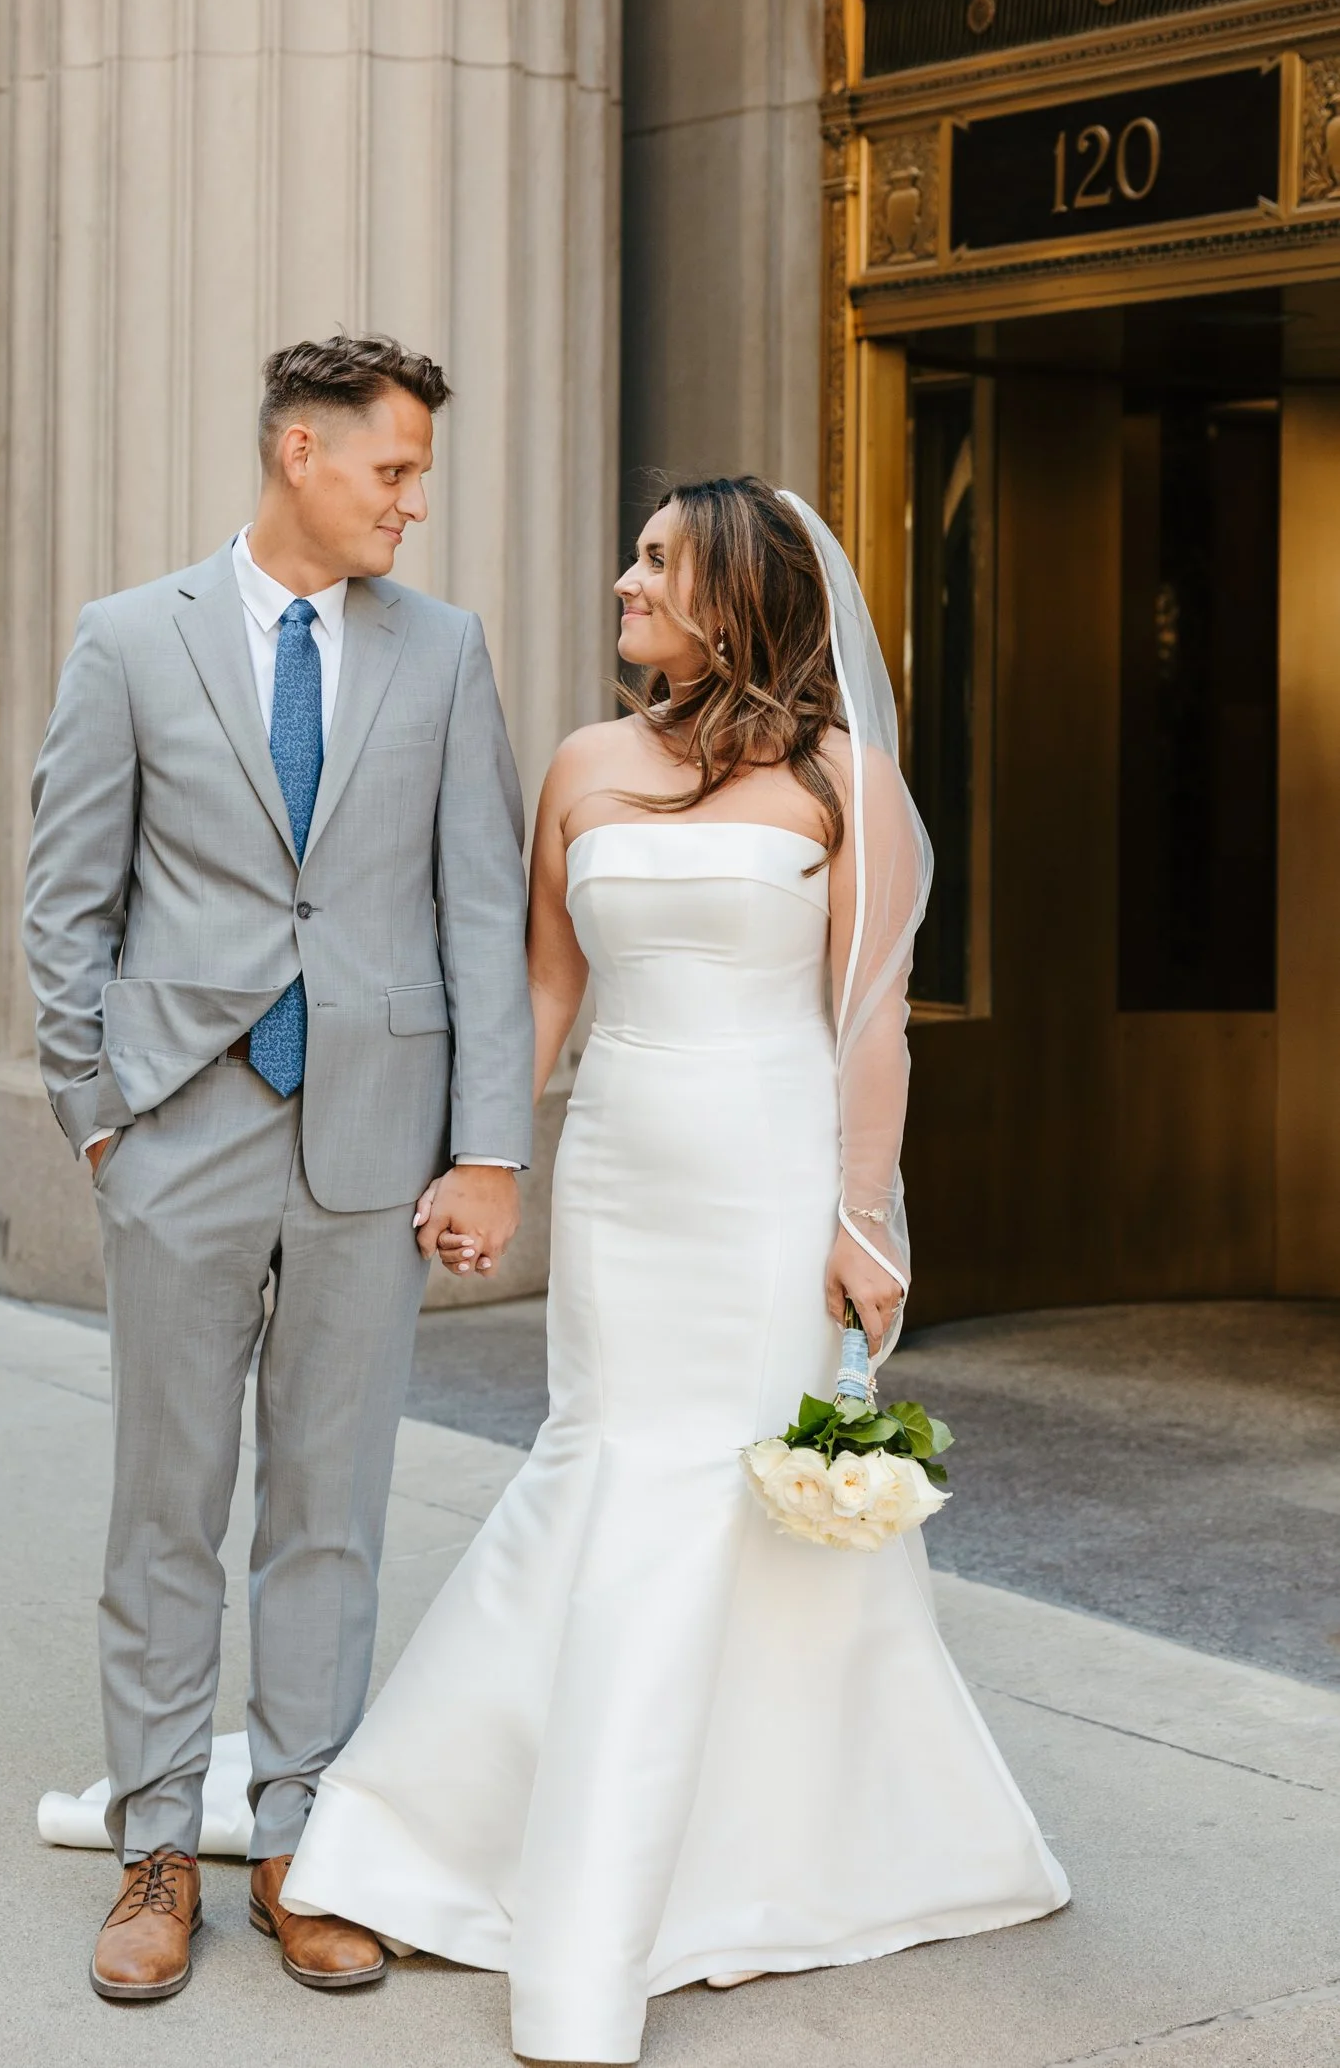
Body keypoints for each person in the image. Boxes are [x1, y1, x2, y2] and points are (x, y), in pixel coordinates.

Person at [284, 475, 1069, 2063]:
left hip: (766, 1181)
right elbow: (541, 987)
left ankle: (687, 1872)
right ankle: (443, 1831)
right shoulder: (582, 764)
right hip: (626, 1176)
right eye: (631, 553)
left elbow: (870, 1024)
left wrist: (861, 1221)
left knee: (725, 1494)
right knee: (601, 1459)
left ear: (736, 591)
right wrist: (485, 1156)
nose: (625, 579)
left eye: (658, 559)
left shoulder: (843, 781)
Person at [21, 334, 534, 2005]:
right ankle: (158, 1841)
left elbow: (478, 911)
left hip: (370, 1143)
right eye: (392, 469)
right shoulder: (128, 640)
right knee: (164, 1507)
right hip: (178, 1128)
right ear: (300, 453)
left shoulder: (444, 653)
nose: (413, 500)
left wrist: (486, 1146)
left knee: (331, 1511)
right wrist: (96, 1109)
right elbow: (66, 898)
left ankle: (307, 1841)